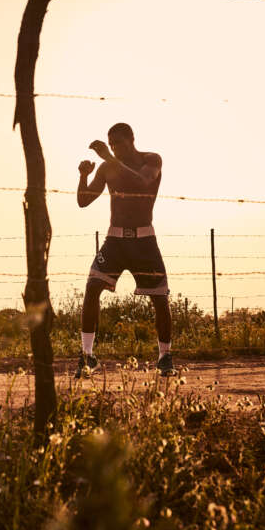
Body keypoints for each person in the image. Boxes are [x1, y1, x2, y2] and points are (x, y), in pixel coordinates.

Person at [75, 122, 175, 378]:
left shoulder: (151, 159)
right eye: (110, 145)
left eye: (118, 143)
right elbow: (84, 200)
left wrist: (109, 159)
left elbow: (142, 182)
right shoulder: (108, 167)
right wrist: (84, 174)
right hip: (115, 240)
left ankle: (165, 357)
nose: (114, 149)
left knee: (160, 298)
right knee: (92, 286)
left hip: (144, 240)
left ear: (131, 139)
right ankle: (88, 357)